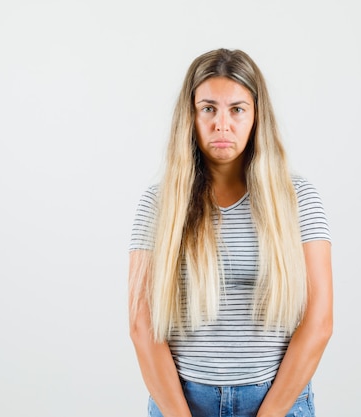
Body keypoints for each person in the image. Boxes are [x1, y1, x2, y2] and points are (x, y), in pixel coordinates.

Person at [128, 48, 332, 417]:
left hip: (278, 401)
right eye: (208, 108)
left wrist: (269, 414)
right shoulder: (158, 204)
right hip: (183, 404)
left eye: (237, 109)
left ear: (256, 116)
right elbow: (142, 324)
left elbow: (319, 321)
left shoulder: (297, 198)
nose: (222, 124)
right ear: (190, 116)